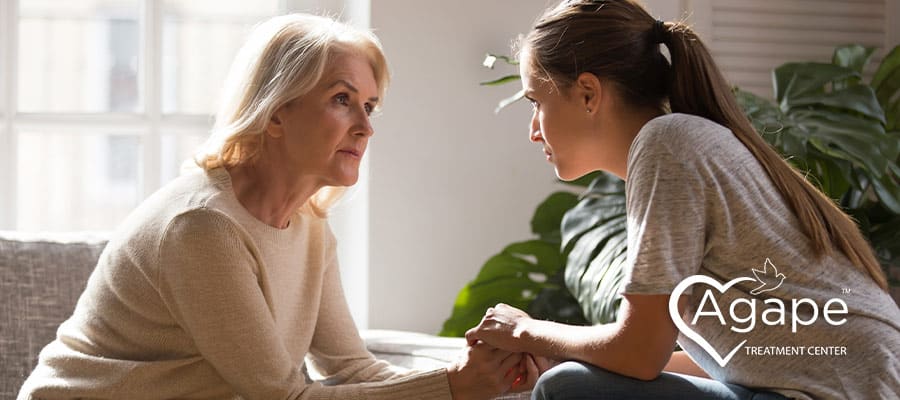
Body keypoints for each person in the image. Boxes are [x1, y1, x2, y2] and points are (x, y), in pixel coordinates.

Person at [18, 13, 532, 400]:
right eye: (341, 99)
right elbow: (284, 397)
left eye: (369, 106)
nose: (365, 126)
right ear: (277, 111)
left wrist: (471, 376)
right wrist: (453, 386)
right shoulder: (202, 227)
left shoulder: (309, 226)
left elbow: (350, 367)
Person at [464, 1, 900, 399]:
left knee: (565, 389)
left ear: (588, 94)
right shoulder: (679, 144)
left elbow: (638, 353)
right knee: (567, 376)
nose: (533, 130)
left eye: (535, 102)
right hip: (837, 385)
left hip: (840, 391)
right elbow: (724, 360)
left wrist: (526, 331)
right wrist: (572, 353)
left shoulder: (667, 144)